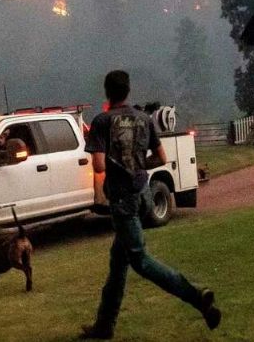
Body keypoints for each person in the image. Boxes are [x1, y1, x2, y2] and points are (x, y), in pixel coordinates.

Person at [80, 70, 221, 340]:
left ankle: (197, 296)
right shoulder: (144, 119)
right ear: (128, 91)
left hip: (122, 201)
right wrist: (136, 165)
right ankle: (104, 326)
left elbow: (98, 165)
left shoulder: (101, 121)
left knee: (141, 262)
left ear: (107, 92)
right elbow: (162, 157)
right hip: (143, 194)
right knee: (117, 264)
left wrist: (115, 169)